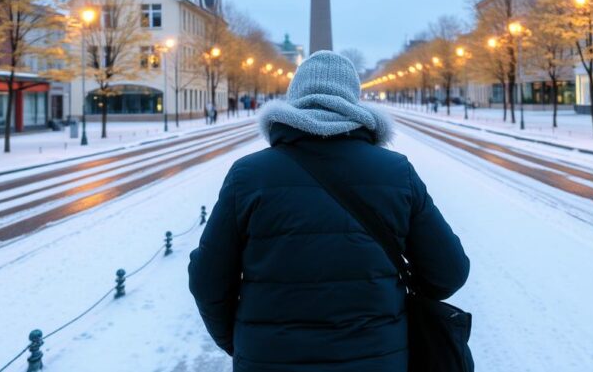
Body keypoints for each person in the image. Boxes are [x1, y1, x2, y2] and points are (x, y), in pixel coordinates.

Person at [189, 51, 470, 371]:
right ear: (354, 101)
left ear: (293, 100)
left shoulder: (249, 176)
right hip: (376, 359)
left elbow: (206, 280)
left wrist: (239, 341)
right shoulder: (397, 173)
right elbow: (450, 271)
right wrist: (393, 299)